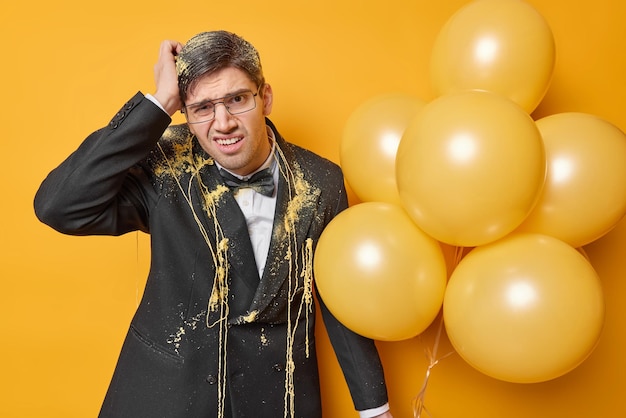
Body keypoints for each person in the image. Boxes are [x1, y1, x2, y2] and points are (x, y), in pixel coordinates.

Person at [34, 31, 393, 418]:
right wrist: (158, 104)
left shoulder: (321, 181)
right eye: (202, 107)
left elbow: (342, 298)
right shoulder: (166, 166)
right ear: (185, 115)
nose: (222, 123)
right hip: (166, 397)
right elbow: (59, 206)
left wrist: (374, 409)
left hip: (275, 398)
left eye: (237, 100)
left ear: (265, 98)